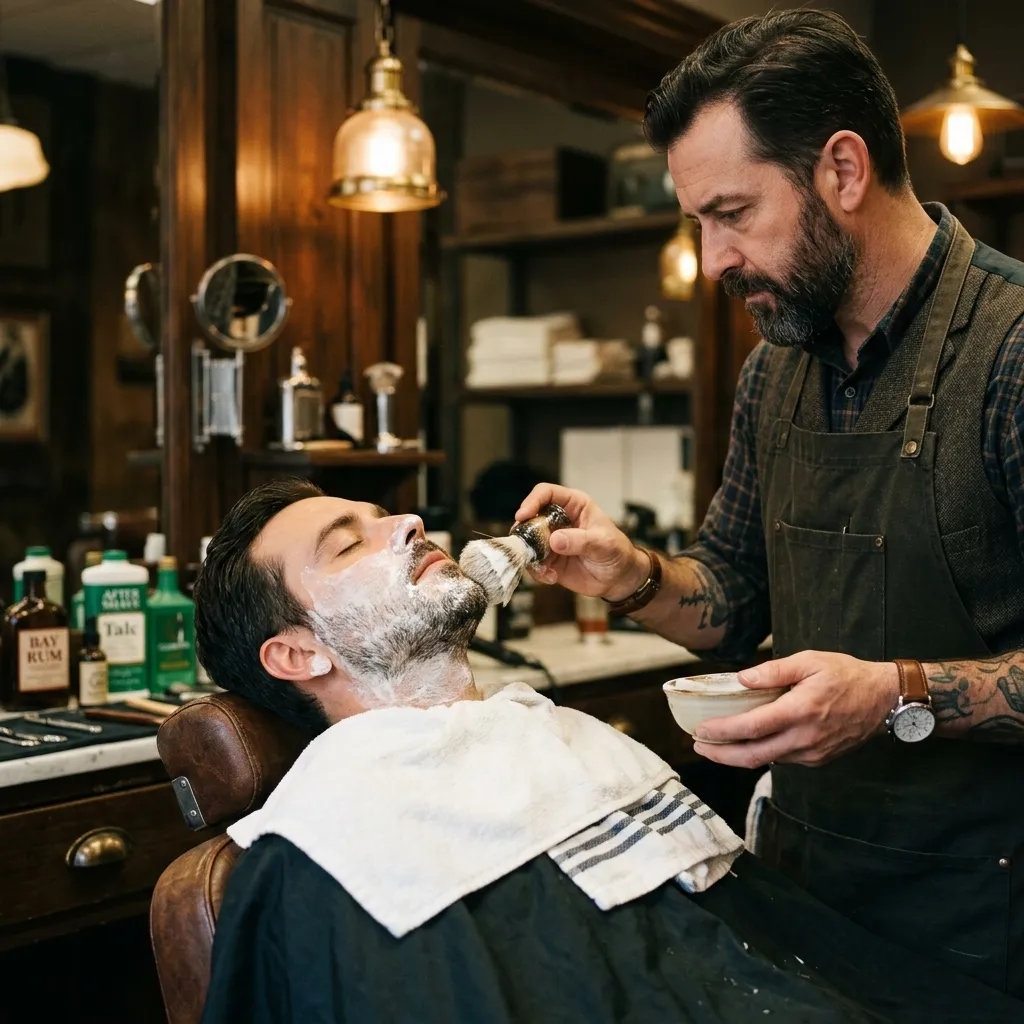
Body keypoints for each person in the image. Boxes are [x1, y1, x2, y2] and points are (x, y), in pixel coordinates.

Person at [514, 7, 1024, 998]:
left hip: (988, 916)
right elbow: (732, 595)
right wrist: (630, 575)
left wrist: (895, 695)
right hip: (808, 885)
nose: (712, 260)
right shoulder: (775, 371)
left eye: (733, 213)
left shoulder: (1009, 351)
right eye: (697, 223)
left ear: (843, 171)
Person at [189, 480, 1023, 1023]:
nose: (408, 522)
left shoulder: (548, 738)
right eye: (348, 544)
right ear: (297, 654)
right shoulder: (325, 856)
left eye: (383, 515)